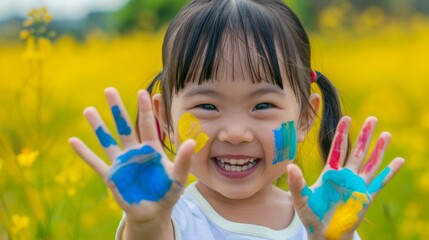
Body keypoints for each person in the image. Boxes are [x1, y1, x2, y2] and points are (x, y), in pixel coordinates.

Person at [69, 0, 405, 239]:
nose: (235, 133)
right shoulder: (170, 219)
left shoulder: (321, 220)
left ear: (304, 117)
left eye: (261, 106)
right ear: (164, 119)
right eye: (207, 107)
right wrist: (144, 224)